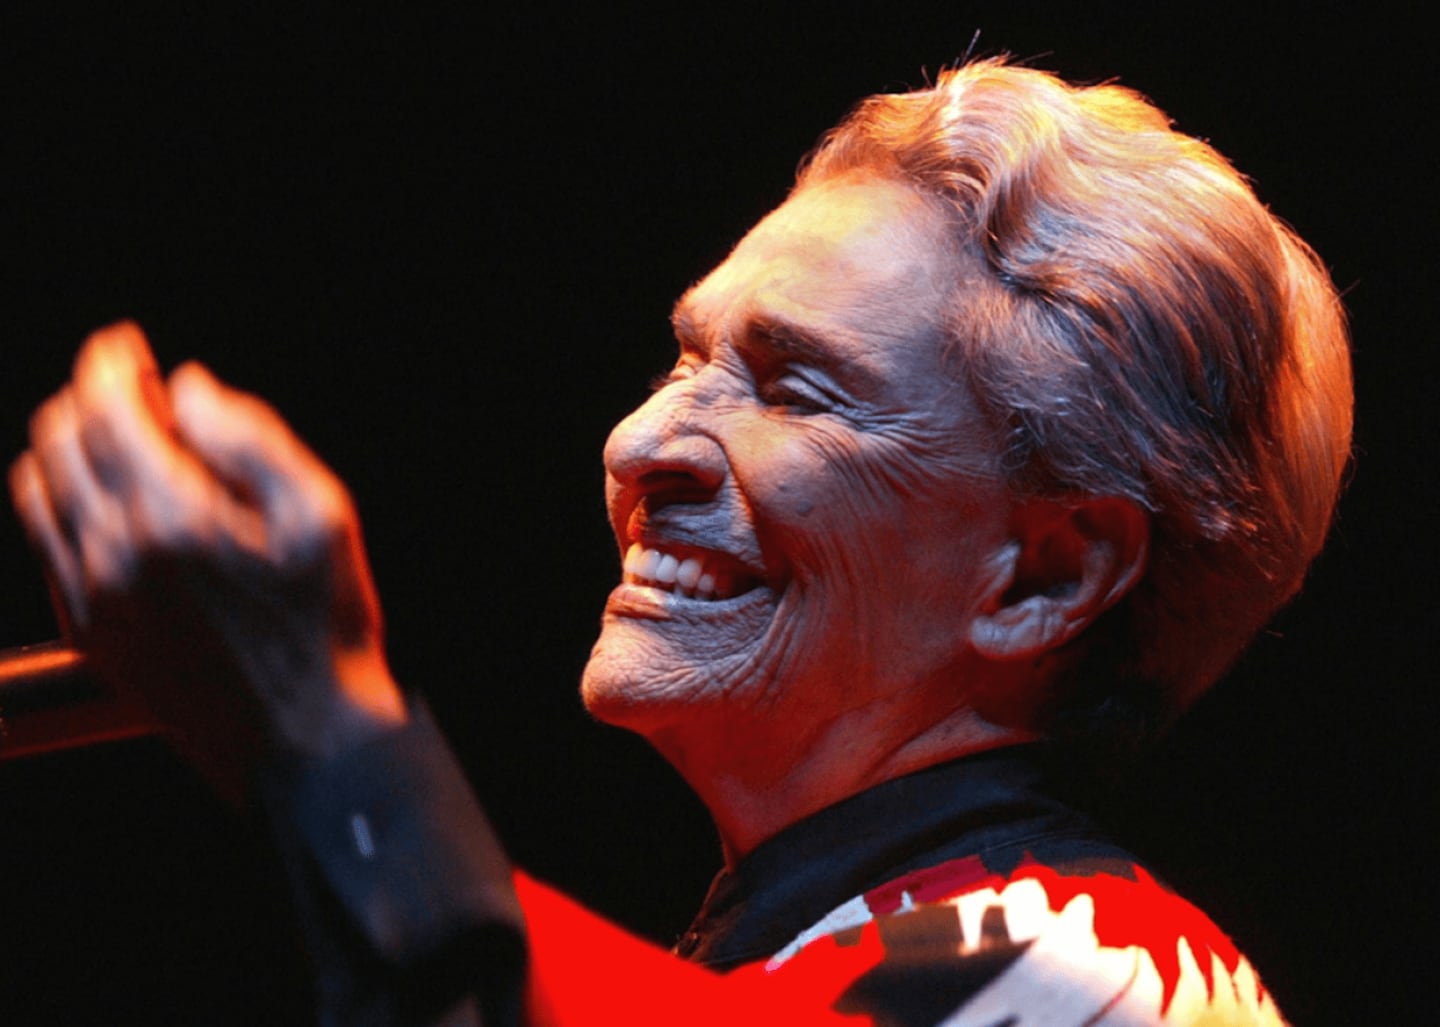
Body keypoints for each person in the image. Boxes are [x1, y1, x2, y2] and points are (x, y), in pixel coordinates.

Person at [9, 58, 1351, 1025]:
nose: (641, 442)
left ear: (1046, 575)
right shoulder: (840, 953)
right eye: (685, 359)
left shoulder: (1108, 981)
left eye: (792, 389)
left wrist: (322, 739)